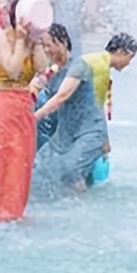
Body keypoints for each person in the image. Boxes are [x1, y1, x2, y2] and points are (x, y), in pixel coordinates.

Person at [0, 0, 45, 222]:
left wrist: (35, 42)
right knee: (1, 162)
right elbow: (14, 69)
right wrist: (19, 40)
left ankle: (15, 213)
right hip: (3, 107)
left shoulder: (30, 40)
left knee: (21, 163)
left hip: (24, 108)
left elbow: (43, 68)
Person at [34, 25, 108, 193]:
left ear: (62, 42)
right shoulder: (51, 72)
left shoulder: (79, 65)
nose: (46, 50)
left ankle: (81, 209)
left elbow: (62, 96)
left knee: (71, 171)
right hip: (66, 133)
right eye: (43, 46)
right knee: (41, 166)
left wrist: (33, 117)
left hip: (89, 131)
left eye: (49, 45)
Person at [81, 33, 137, 121]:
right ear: (121, 52)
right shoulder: (100, 67)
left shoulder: (99, 61)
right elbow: (95, 103)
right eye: (130, 58)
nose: (128, 63)